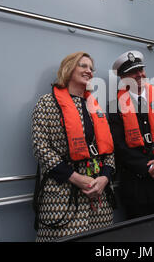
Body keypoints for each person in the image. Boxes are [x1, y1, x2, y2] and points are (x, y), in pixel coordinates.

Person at [31, 52, 115, 242]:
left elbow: (108, 149)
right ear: (69, 68)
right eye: (83, 66)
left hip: (97, 198)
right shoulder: (47, 104)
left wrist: (105, 178)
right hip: (61, 198)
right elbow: (40, 147)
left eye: (91, 68)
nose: (89, 71)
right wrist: (75, 178)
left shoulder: (95, 107)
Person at [108, 50, 154, 219]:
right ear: (123, 77)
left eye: (141, 69)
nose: (139, 74)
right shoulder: (114, 106)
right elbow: (118, 145)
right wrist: (148, 167)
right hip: (136, 187)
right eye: (133, 72)